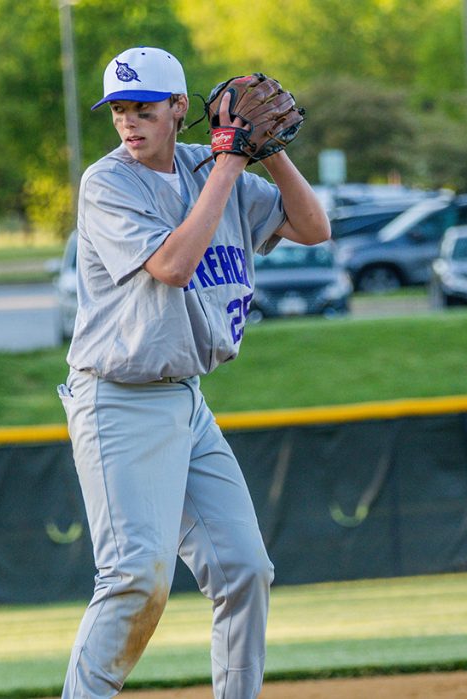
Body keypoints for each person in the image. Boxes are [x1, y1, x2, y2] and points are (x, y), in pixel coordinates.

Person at [57, 47, 330, 699]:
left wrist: (268, 150)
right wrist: (231, 161)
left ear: (180, 108)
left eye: (144, 108)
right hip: (116, 401)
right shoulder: (109, 182)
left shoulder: (209, 167)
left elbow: (313, 227)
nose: (129, 121)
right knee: (134, 579)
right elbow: (174, 265)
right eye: (119, 109)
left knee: (242, 568)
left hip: (185, 400)